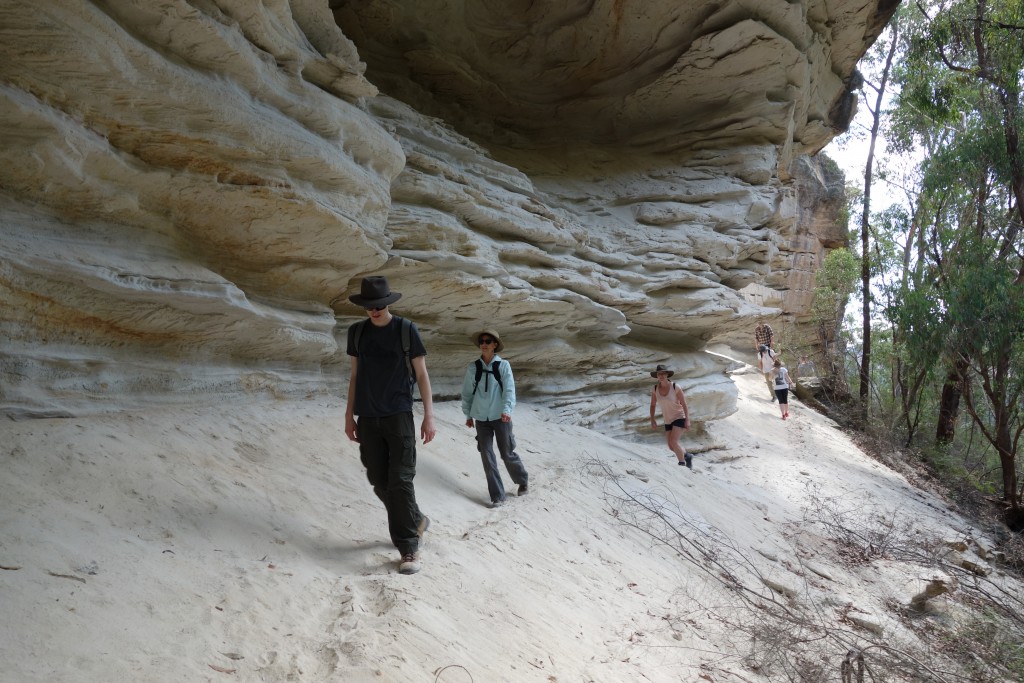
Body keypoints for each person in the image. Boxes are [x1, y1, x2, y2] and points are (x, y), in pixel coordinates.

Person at [344, 276, 436, 576]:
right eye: (370, 306)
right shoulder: (357, 333)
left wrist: (429, 415)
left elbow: (421, 375)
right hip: (368, 417)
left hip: (399, 416)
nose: (375, 311)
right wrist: (349, 416)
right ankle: (416, 519)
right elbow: (355, 377)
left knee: (400, 480)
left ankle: (408, 547)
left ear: (389, 303)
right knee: (378, 480)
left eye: (380, 305)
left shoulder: (406, 330)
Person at [461, 329, 529, 508]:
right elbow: (467, 393)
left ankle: (522, 480)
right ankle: (497, 496)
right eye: (482, 341)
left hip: (501, 417)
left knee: (506, 453)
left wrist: (507, 410)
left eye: (488, 341)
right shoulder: (473, 367)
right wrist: (468, 414)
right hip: (481, 419)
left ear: (495, 345)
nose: (484, 343)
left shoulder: (503, 366)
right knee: (487, 456)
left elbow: (509, 390)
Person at [648, 364, 692, 469]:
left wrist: (687, 419)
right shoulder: (654, 389)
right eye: (659, 374)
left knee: (673, 441)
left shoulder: (675, 387)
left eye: (663, 373)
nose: (661, 376)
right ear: (657, 376)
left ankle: (682, 464)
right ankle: (687, 456)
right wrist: (652, 419)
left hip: (679, 417)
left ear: (667, 374)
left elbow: (684, 403)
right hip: (668, 420)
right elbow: (652, 405)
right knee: (671, 446)